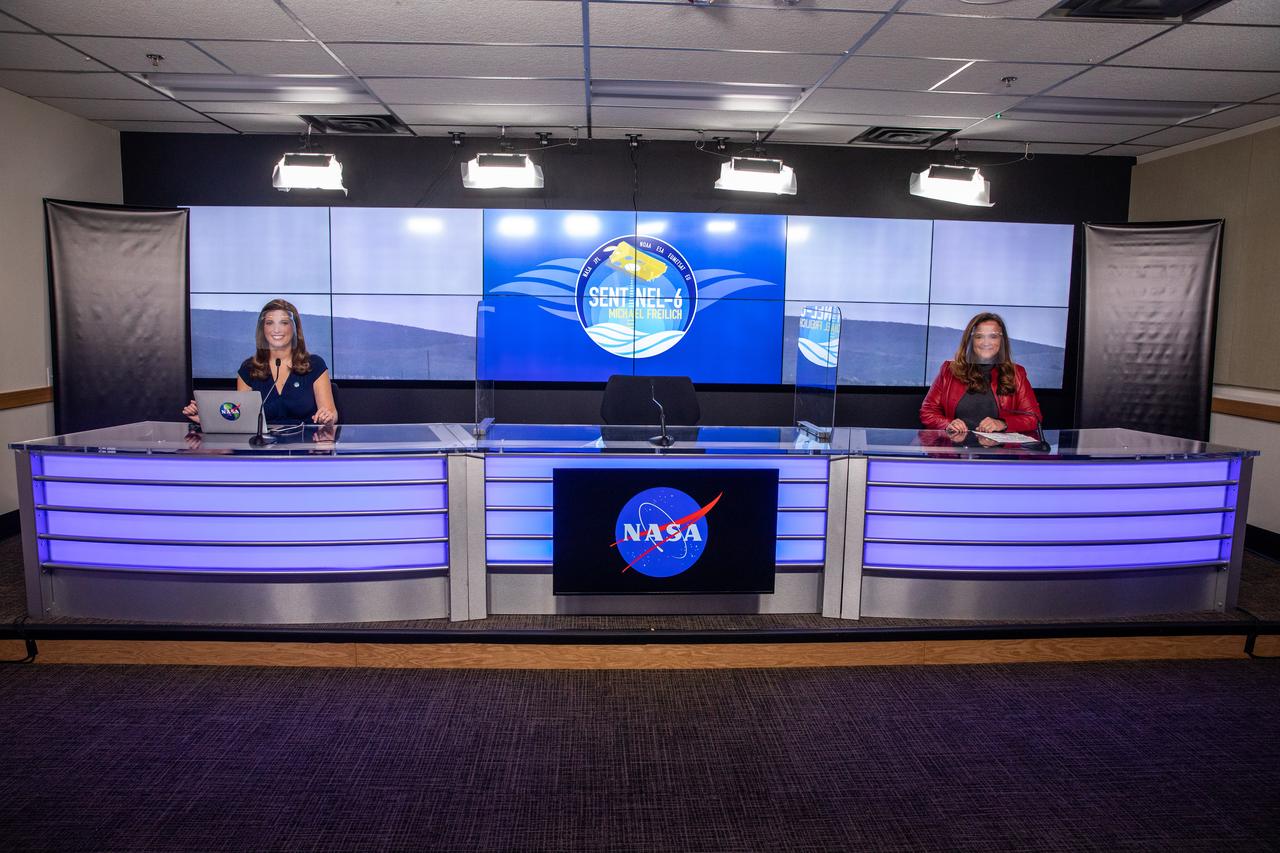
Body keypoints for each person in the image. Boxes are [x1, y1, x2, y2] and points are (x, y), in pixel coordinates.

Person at [183, 299, 338, 426]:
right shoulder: (248, 369)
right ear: (262, 329)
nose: (276, 329)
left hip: (305, 449)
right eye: (269, 323)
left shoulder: (314, 365)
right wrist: (206, 420)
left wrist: (327, 417)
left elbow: (331, 414)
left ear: (294, 328)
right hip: (261, 451)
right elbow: (240, 421)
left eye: (284, 322)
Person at [919, 312, 1041, 437]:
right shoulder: (949, 370)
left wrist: (1003, 424)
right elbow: (928, 411)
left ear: (1002, 341)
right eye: (979, 336)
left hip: (998, 453)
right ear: (970, 340)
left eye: (993, 336)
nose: (986, 342)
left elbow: (1034, 418)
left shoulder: (1016, 374)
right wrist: (947, 424)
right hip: (956, 452)